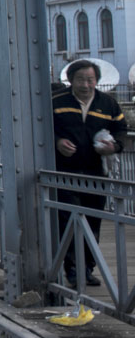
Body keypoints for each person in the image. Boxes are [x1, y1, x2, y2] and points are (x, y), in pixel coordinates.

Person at [52, 59, 126, 288]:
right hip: (64, 171)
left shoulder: (108, 104)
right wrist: (57, 142)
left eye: (90, 79)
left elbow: (121, 130)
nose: (86, 84)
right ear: (71, 80)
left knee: (93, 220)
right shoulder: (56, 102)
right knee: (69, 220)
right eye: (81, 79)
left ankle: (88, 268)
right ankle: (73, 270)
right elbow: (42, 127)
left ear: (97, 81)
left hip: (96, 172)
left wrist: (114, 147)